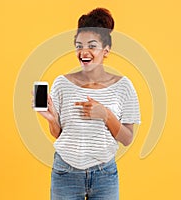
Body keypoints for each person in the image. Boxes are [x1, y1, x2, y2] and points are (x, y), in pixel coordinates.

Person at [35, 8, 140, 200]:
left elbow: (127, 138)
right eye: (79, 45)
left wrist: (106, 114)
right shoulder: (61, 84)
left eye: (92, 46)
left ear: (105, 51)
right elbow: (59, 134)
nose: (84, 52)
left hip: (105, 176)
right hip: (65, 174)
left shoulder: (123, 87)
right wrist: (52, 120)